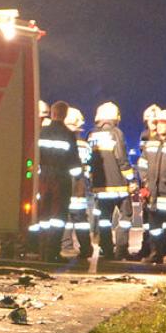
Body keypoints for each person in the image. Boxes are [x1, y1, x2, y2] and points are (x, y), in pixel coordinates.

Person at [135, 106, 166, 263]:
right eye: (158, 123)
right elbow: (142, 164)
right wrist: (145, 182)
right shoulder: (150, 143)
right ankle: (155, 254)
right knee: (154, 228)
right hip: (153, 194)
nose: (160, 126)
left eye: (164, 123)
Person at [88, 102, 135, 261]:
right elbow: (122, 159)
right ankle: (121, 250)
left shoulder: (92, 135)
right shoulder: (116, 133)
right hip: (119, 187)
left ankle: (106, 250)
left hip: (100, 188)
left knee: (104, 220)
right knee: (125, 218)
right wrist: (131, 179)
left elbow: (89, 161)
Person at [33, 101, 77, 262]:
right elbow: (74, 163)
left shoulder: (42, 132)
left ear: (52, 113)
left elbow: (34, 156)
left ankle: (42, 251)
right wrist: (78, 178)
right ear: (64, 115)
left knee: (43, 216)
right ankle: (53, 252)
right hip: (61, 179)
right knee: (58, 217)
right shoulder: (68, 134)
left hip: (42, 178)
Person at [64, 106, 95, 262]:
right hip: (81, 186)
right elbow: (89, 166)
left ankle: (67, 245)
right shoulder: (85, 145)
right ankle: (85, 247)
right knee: (80, 219)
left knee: (66, 218)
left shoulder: (67, 143)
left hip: (67, 185)